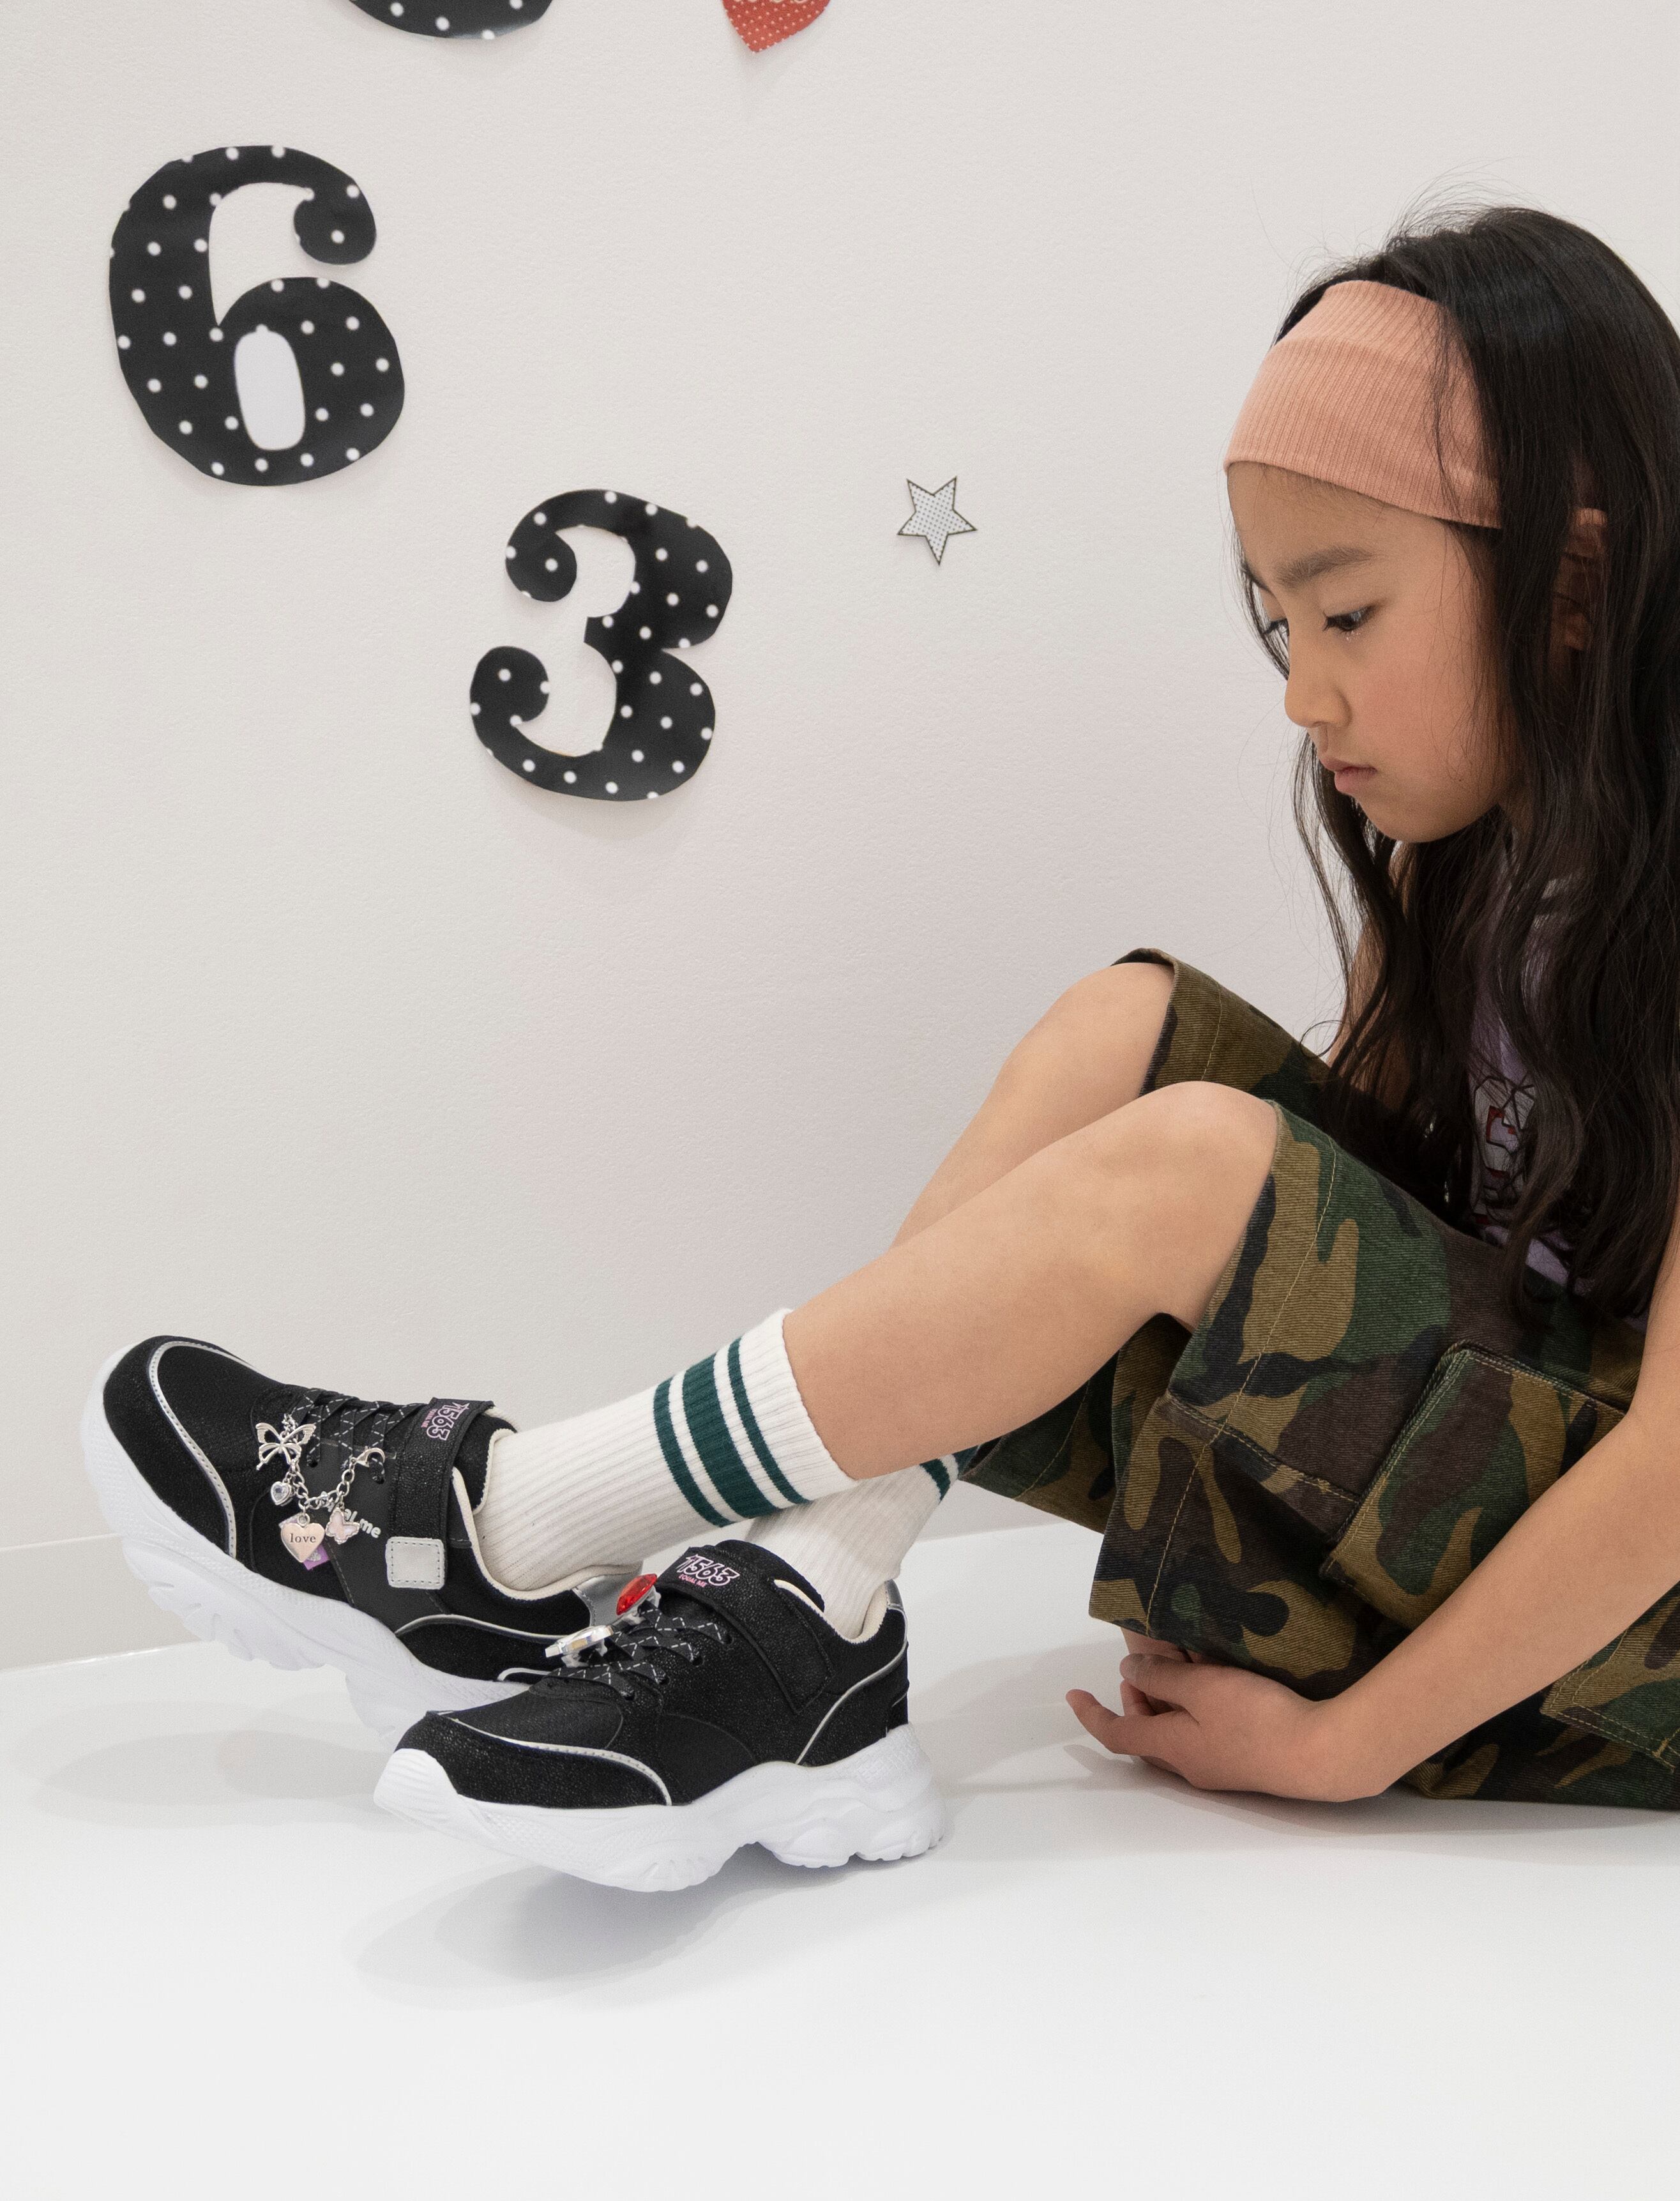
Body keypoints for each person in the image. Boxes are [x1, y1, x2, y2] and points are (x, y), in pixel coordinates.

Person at [83, 199, 1680, 1891]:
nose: (1302, 694)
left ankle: (509, 1522)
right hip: (1519, 1512)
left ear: (1572, 588)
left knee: (1199, 1163)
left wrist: (1348, 1746)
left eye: (1345, 615)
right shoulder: (1470, 855)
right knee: (1126, 1030)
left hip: (1637, 1623)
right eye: (1281, 628)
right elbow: (1376, 1222)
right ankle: (809, 1609)